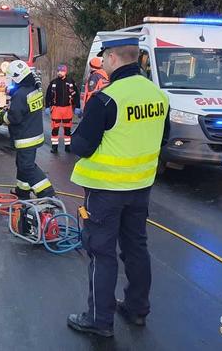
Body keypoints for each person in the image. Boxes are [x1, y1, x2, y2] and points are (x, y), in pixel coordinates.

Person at [66, 32, 169, 337]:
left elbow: (81, 146)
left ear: (111, 58)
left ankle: (99, 320)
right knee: (136, 247)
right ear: (136, 58)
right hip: (140, 189)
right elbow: (162, 138)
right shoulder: (157, 95)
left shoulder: (107, 98)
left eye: (104, 59)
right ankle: (137, 309)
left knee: (101, 252)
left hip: (106, 191)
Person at [0, 60, 55, 199]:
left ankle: (47, 193)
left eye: (12, 79)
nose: (11, 82)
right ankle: (22, 190)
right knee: (21, 164)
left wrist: (1, 116)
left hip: (25, 137)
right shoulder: (34, 88)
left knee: (27, 167)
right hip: (33, 132)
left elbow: (14, 118)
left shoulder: (20, 94)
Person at [45, 64, 78, 153]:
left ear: (65, 72)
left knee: (67, 129)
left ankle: (68, 146)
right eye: (58, 71)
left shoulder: (71, 82)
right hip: (56, 109)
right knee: (55, 129)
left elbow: (76, 95)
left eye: (62, 71)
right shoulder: (53, 83)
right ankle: (54, 147)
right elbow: (48, 95)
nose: (60, 72)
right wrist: (47, 106)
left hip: (68, 108)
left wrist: (77, 106)